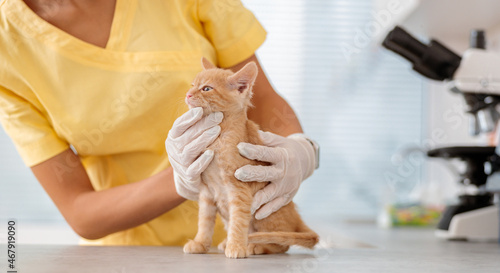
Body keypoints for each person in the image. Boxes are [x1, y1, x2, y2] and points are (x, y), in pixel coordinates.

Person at [0, 0, 319, 246]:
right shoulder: (6, 47)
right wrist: (185, 178)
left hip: (244, 243)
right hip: (124, 260)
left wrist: (300, 149)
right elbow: (79, 209)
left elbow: (259, 96)